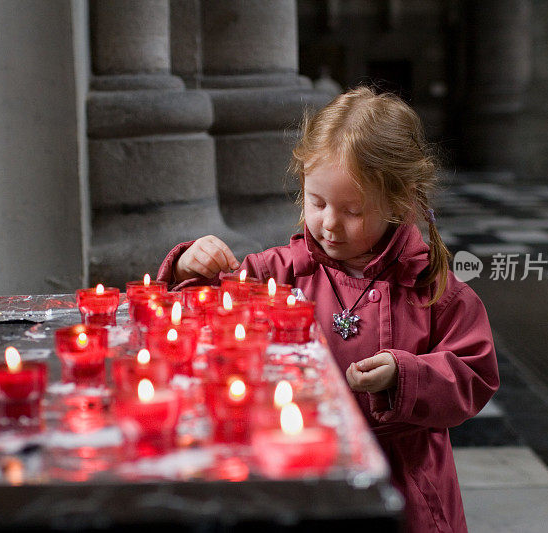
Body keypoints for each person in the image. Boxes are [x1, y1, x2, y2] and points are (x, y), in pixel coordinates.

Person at [157, 86, 499, 532]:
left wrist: (405, 374)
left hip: (402, 483)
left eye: (352, 211)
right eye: (317, 203)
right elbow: (197, 314)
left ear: (399, 203)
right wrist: (190, 265)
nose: (329, 224)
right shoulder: (277, 274)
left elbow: (475, 374)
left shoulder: (431, 290)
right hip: (299, 472)